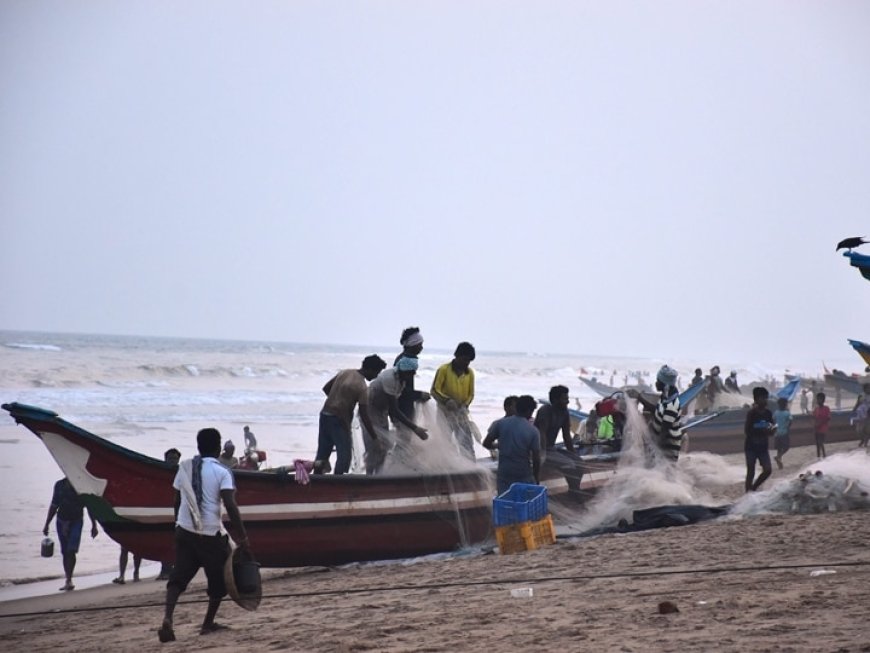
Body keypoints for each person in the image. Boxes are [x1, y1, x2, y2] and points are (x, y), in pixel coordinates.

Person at [158, 427, 250, 643]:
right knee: (219, 582)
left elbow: (177, 501)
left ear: (198, 446)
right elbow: (230, 505)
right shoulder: (222, 472)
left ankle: (168, 619)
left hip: (184, 531)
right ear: (218, 448)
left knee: (177, 578)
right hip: (210, 534)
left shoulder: (184, 468)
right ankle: (207, 624)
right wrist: (243, 537)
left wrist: (178, 527)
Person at [314, 354, 386, 475]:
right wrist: (375, 438)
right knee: (344, 456)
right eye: (376, 372)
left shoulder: (345, 373)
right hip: (339, 420)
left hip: (325, 414)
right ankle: (338, 485)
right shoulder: (362, 387)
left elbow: (326, 388)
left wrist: (337, 400)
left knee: (322, 453)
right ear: (369, 369)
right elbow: (364, 415)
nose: (376, 376)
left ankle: (316, 481)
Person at [363, 357, 429, 474]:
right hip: (370, 410)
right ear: (403, 370)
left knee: (384, 447)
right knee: (374, 445)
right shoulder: (390, 378)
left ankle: (379, 474)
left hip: (382, 410)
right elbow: (394, 409)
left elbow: (393, 405)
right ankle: (369, 476)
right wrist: (415, 428)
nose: (413, 374)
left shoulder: (401, 380)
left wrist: (396, 422)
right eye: (411, 372)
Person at [43, 478, 99, 591]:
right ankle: (68, 579)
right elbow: (54, 505)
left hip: (76, 521)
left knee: (71, 550)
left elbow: (89, 507)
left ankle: (69, 579)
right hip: (61, 521)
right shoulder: (59, 485)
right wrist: (47, 524)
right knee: (64, 552)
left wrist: (94, 525)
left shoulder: (82, 485)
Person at [482, 395, 541, 495]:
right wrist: (536, 478)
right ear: (529, 411)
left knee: (505, 500)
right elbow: (536, 458)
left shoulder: (500, 423)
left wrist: (499, 446)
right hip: (523, 472)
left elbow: (486, 443)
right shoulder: (533, 430)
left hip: (504, 471)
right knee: (524, 501)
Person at [431, 341, 477, 459]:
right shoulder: (443, 369)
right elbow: (434, 390)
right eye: (464, 359)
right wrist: (446, 400)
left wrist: (465, 405)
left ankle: (470, 467)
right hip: (444, 414)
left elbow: (471, 394)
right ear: (457, 355)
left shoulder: (470, 373)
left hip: (461, 415)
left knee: (466, 443)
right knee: (444, 443)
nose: (466, 363)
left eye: (469, 361)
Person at [394, 327, 431, 429]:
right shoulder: (405, 362)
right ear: (412, 345)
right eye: (419, 345)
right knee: (404, 437)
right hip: (402, 406)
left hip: (404, 405)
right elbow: (403, 391)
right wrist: (419, 395)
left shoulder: (406, 359)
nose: (421, 348)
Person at [156, 448, 182, 581]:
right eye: (170, 459)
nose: (172, 461)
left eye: (175, 459)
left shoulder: (182, 473)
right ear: (165, 459)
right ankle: (165, 570)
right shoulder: (160, 472)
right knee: (164, 542)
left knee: (177, 543)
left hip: (178, 514)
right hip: (164, 512)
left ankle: (172, 570)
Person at [744, 386, 775, 492]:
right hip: (751, 446)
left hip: (763, 447)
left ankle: (754, 487)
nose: (765, 400)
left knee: (768, 470)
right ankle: (748, 491)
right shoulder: (752, 413)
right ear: (756, 399)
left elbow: (772, 427)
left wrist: (771, 430)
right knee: (751, 471)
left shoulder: (768, 413)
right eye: (763, 398)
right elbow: (747, 430)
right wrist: (761, 429)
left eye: (766, 398)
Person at [534, 385, 576, 453]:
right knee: (570, 463)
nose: (568, 402)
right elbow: (542, 434)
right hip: (538, 449)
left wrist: (574, 453)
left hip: (551, 448)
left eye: (567, 399)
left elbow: (566, 436)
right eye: (564, 399)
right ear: (555, 400)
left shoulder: (564, 412)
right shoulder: (545, 411)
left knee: (576, 460)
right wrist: (542, 454)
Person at [772, 396, 793, 470]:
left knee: (779, 448)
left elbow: (773, 420)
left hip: (777, 433)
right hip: (784, 433)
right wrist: (787, 426)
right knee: (786, 447)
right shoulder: (787, 413)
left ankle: (779, 464)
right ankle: (778, 457)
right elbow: (790, 421)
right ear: (785, 405)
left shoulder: (776, 412)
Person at [813, 392, 831, 459]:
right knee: (817, 443)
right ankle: (818, 456)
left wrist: (820, 423)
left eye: (819, 399)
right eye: (817, 399)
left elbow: (828, 418)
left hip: (823, 428)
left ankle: (824, 455)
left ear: (823, 400)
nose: (818, 401)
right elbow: (814, 417)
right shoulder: (816, 409)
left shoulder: (826, 408)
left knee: (820, 442)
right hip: (816, 428)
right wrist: (815, 425)